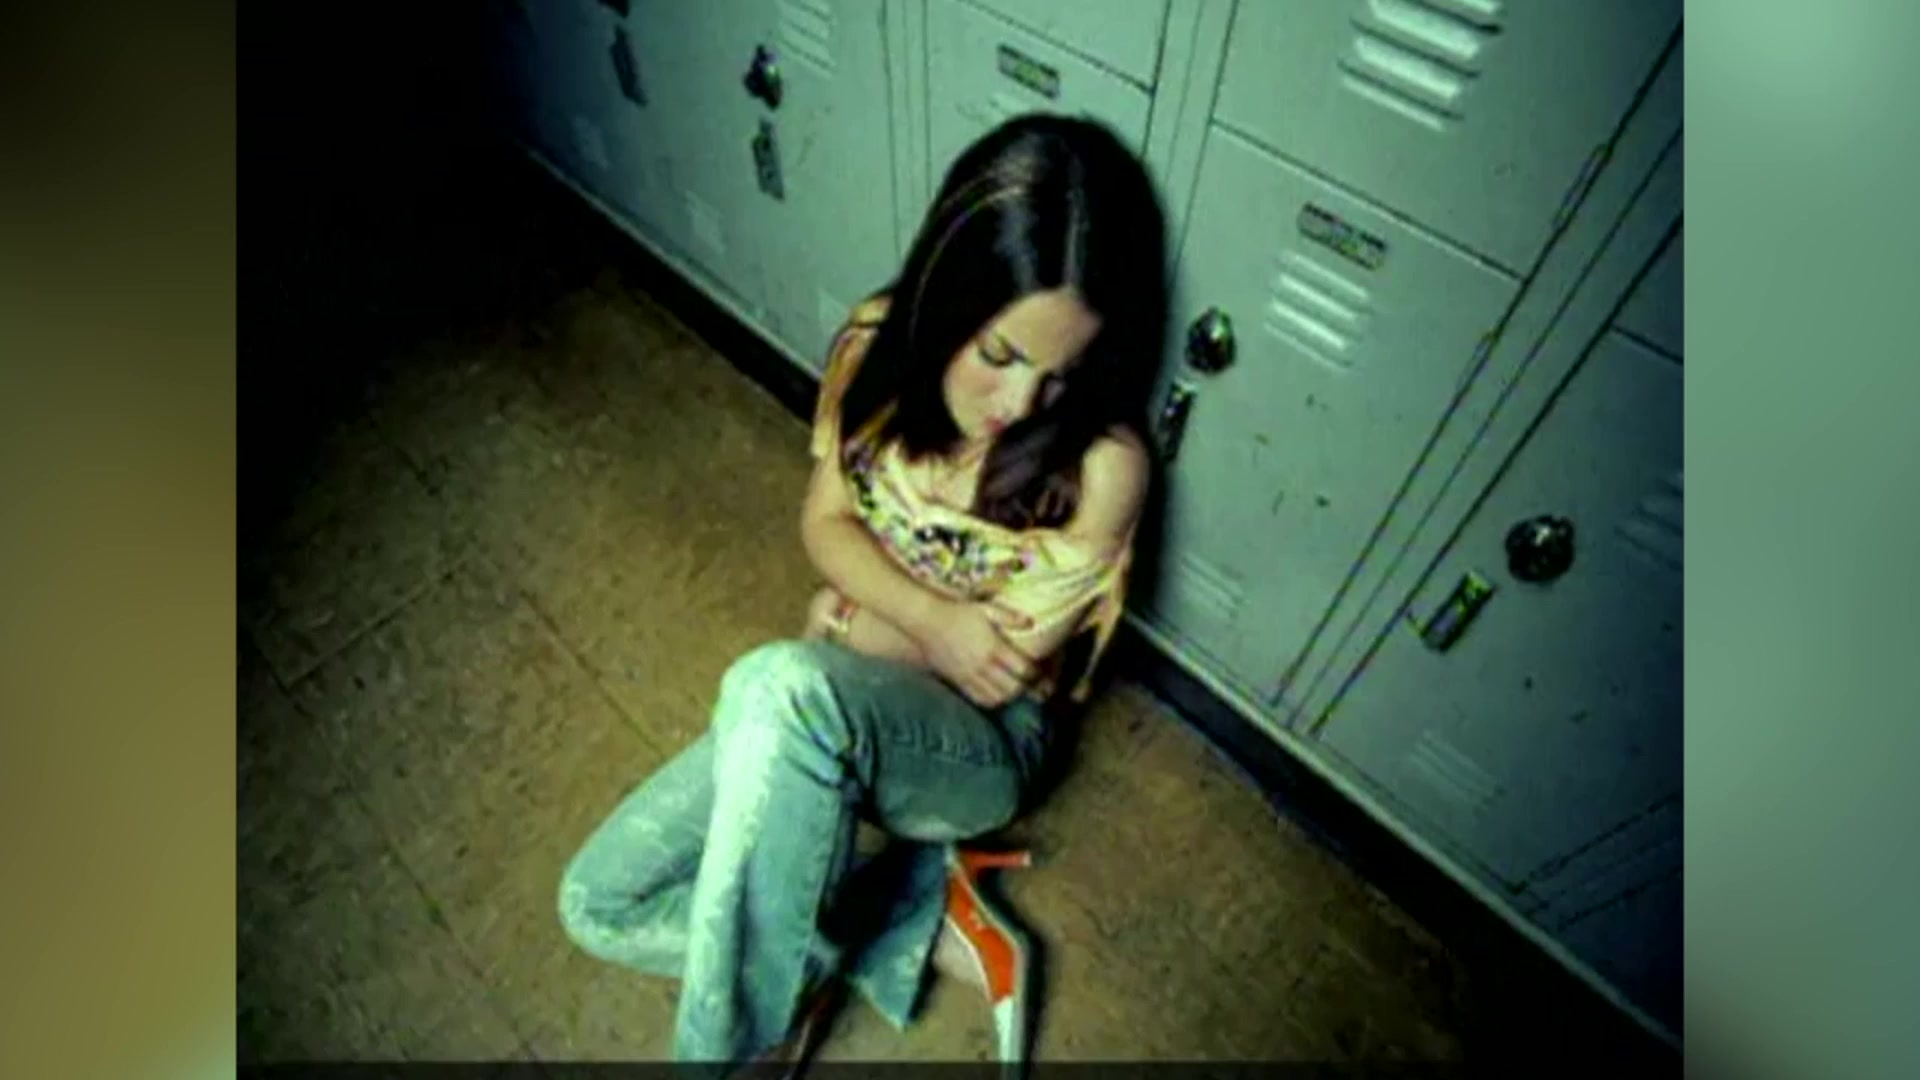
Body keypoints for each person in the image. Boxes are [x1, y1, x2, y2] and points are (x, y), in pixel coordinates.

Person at [556, 112, 1171, 1076]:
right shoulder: (878, 345)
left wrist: (854, 616)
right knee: (596, 903)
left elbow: (991, 670)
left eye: (1060, 376)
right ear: (945, 300)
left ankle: (734, 1058)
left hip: (981, 745)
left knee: (776, 689)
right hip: (837, 691)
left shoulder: (1103, 467)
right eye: (1000, 355)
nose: (1020, 406)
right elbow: (823, 522)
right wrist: (926, 617)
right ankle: (881, 930)